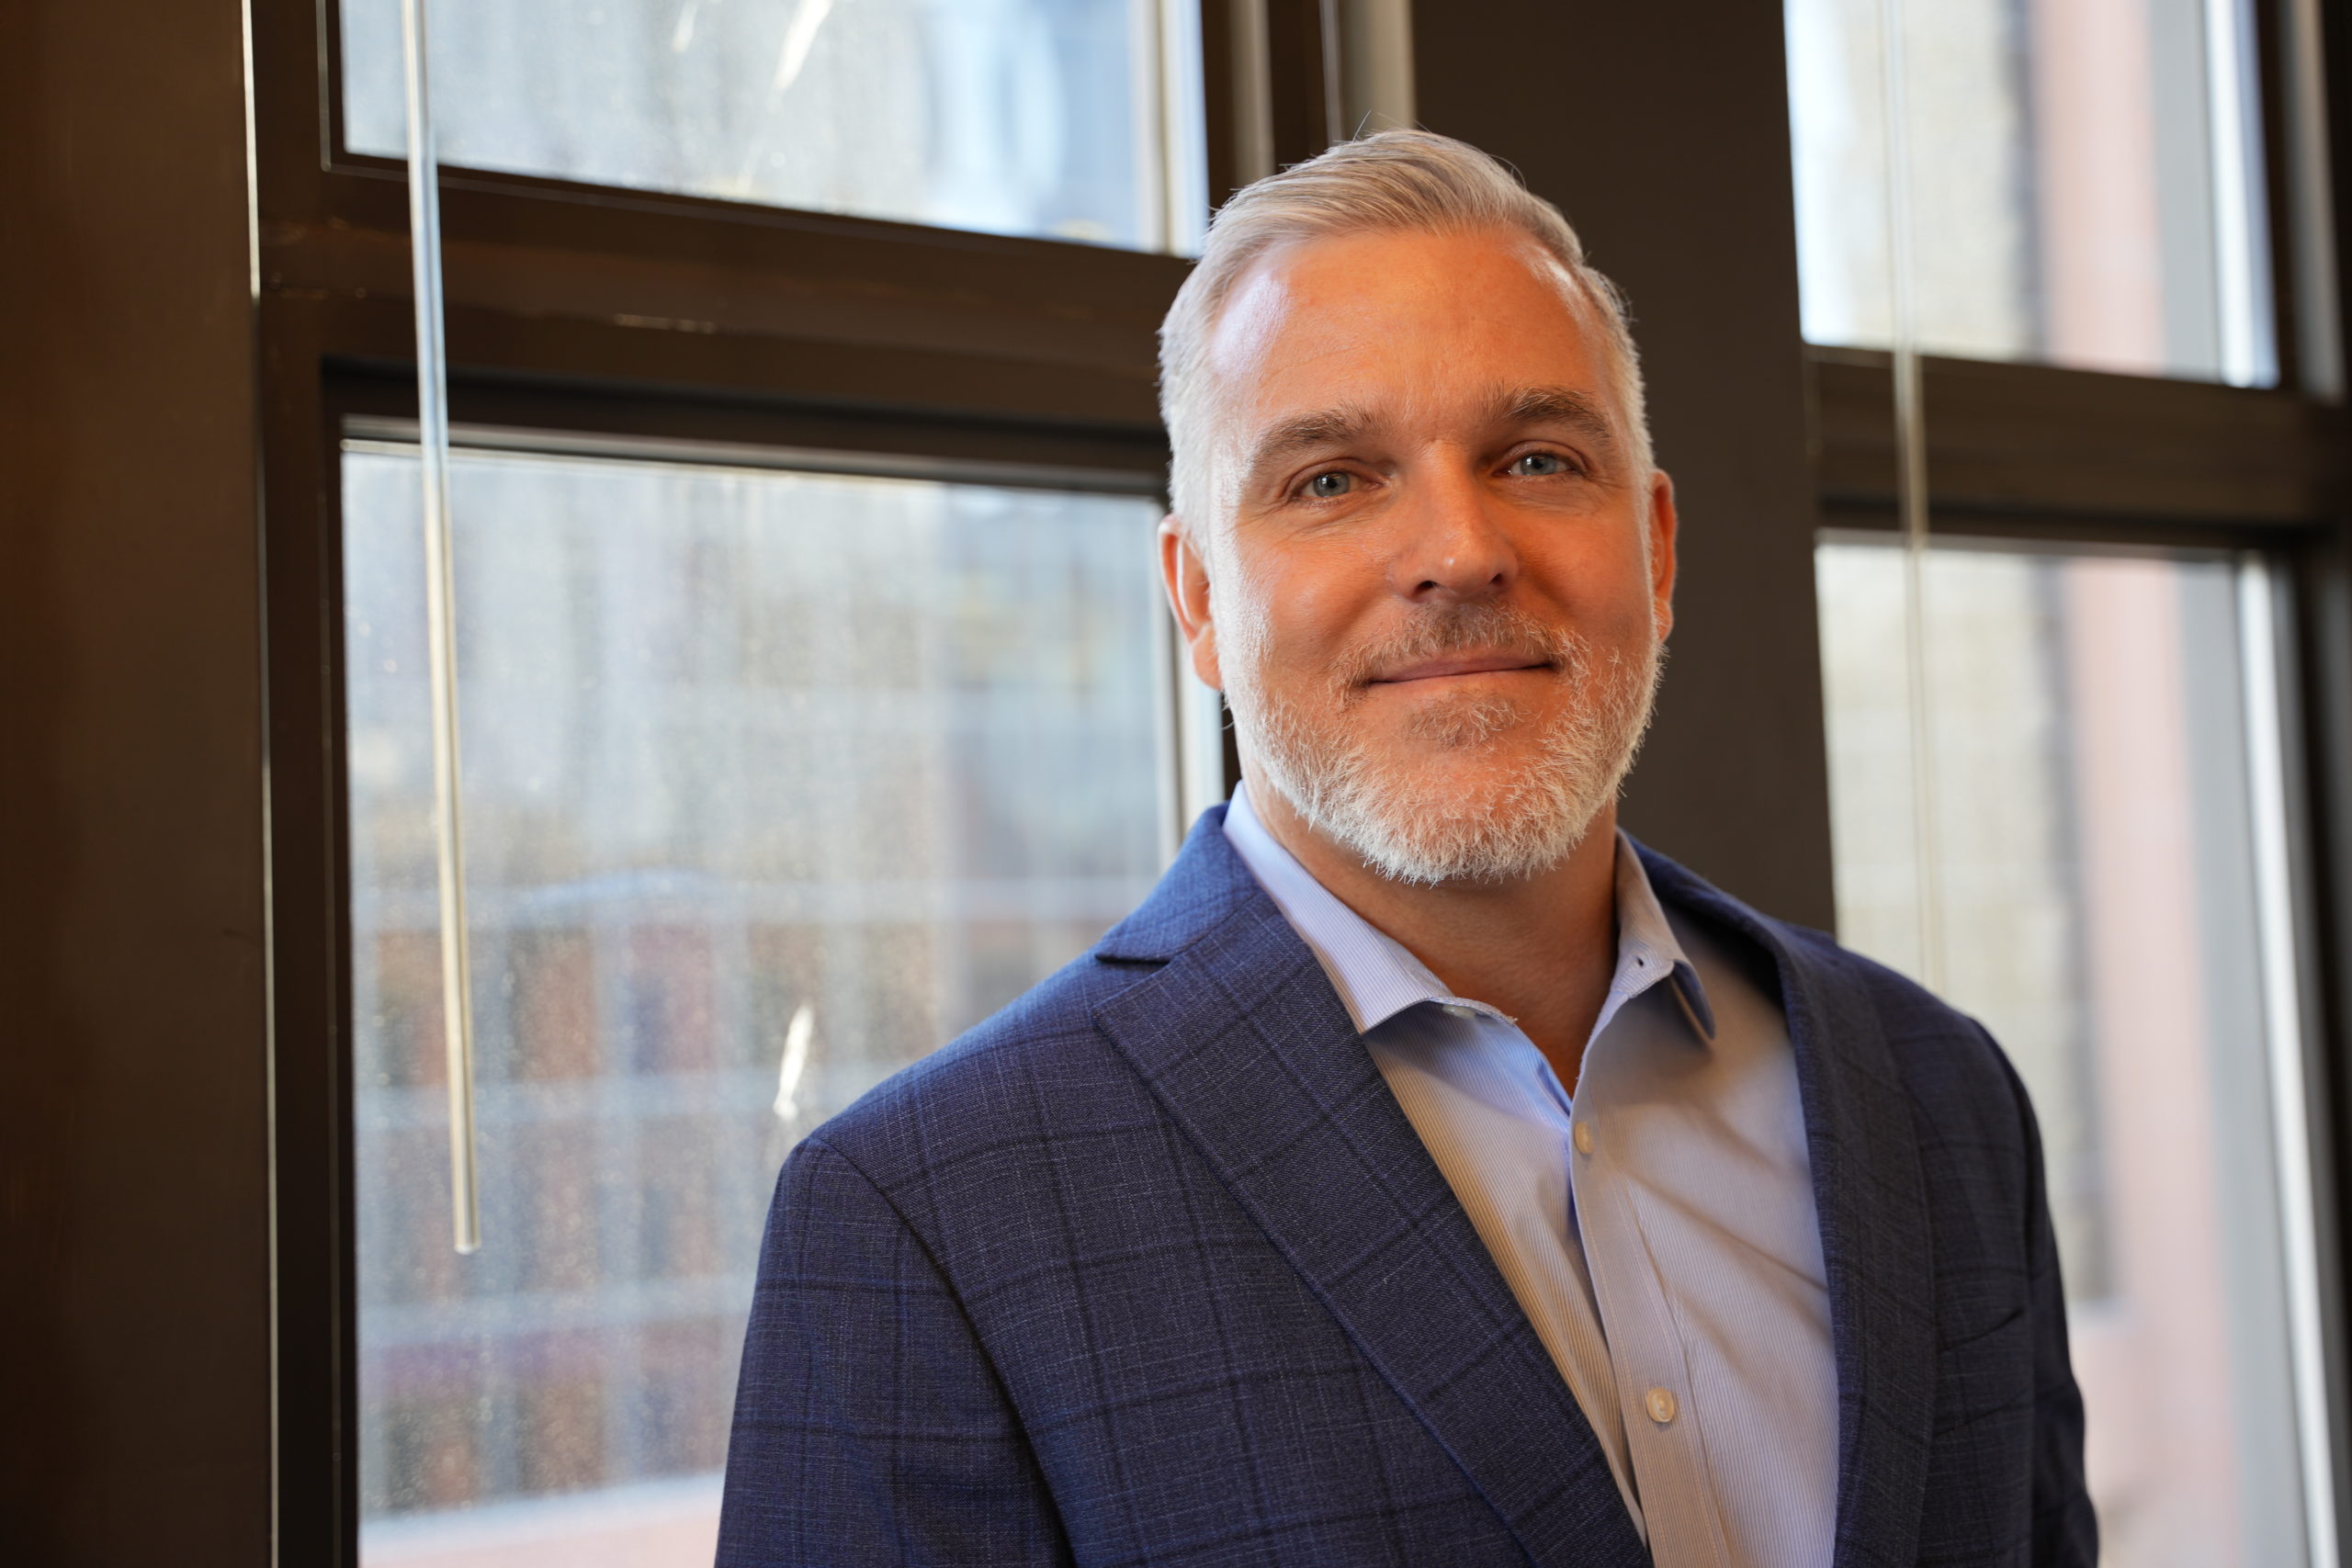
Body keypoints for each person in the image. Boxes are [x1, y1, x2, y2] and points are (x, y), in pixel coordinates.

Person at [716, 130, 2095, 1568]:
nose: (1460, 549)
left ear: (1659, 551)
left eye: (1540, 459)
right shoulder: (927, 1219)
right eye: (1331, 479)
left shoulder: (1938, 1097)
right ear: (1197, 599)